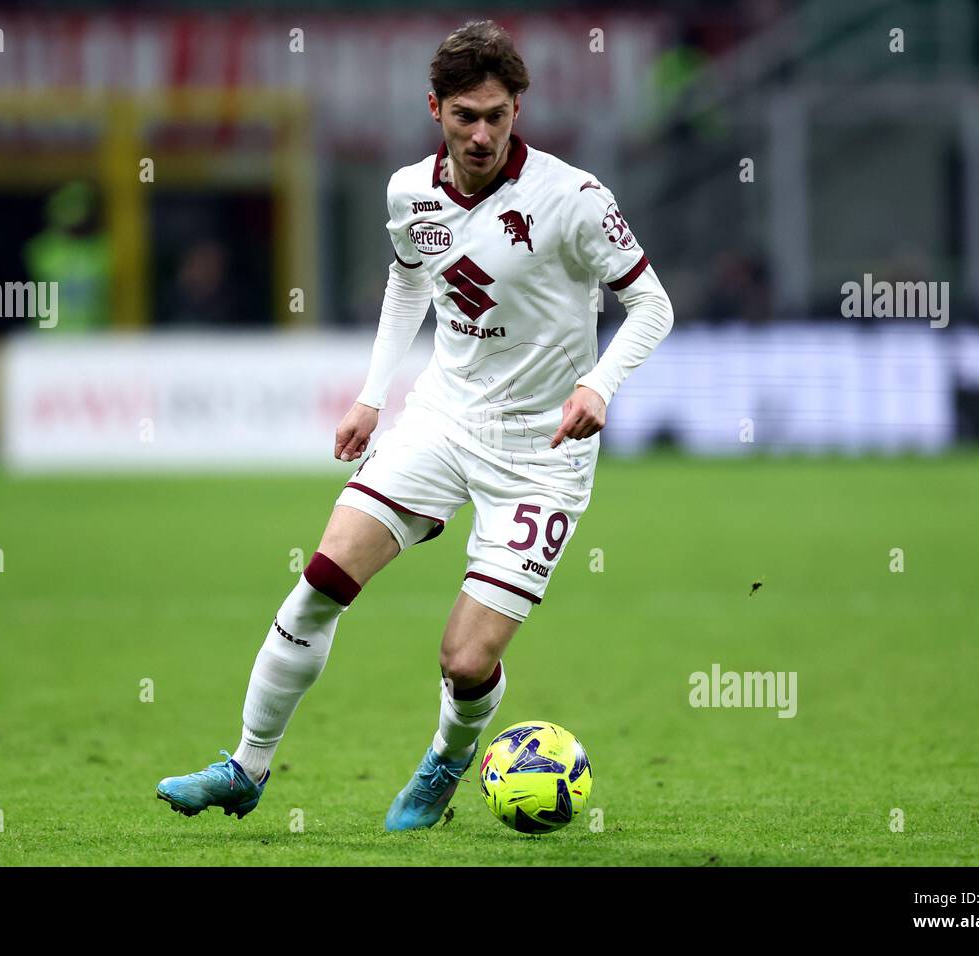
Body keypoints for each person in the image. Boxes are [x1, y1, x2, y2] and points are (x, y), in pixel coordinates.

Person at [156, 19, 674, 830]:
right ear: (435, 108)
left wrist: (600, 385)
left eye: (497, 115)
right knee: (322, 580)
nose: (481, 134)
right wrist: (372, 395)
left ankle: (446, 757)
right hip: (441, 417)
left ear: (517, 110)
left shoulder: (574, 199)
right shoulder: (408, 192)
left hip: (543, 453)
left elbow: (652, 303)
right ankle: (246, 767)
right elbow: (408, 284)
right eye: (465, 115)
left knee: (466, 661)